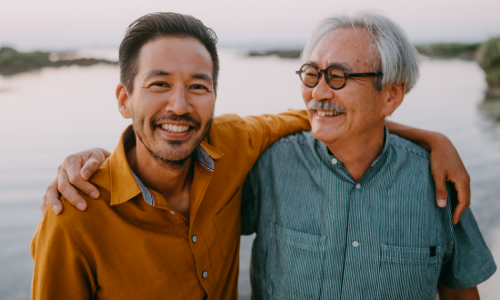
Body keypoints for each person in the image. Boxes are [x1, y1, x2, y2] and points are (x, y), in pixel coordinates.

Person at [36, 12, 471, 300]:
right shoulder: (73, 210)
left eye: (199, 86)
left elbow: (324, 116)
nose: (180, 106)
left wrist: (430, 139)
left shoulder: (235, 143)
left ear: (214, 97)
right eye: (158, 84)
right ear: (124, 100)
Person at [241, 12, 496, 300]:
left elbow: (460, 293)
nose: (318, 91)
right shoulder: (268, 166)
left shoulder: (437, 182)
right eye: (311, 74)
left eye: (338, 76)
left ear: (391, 95)